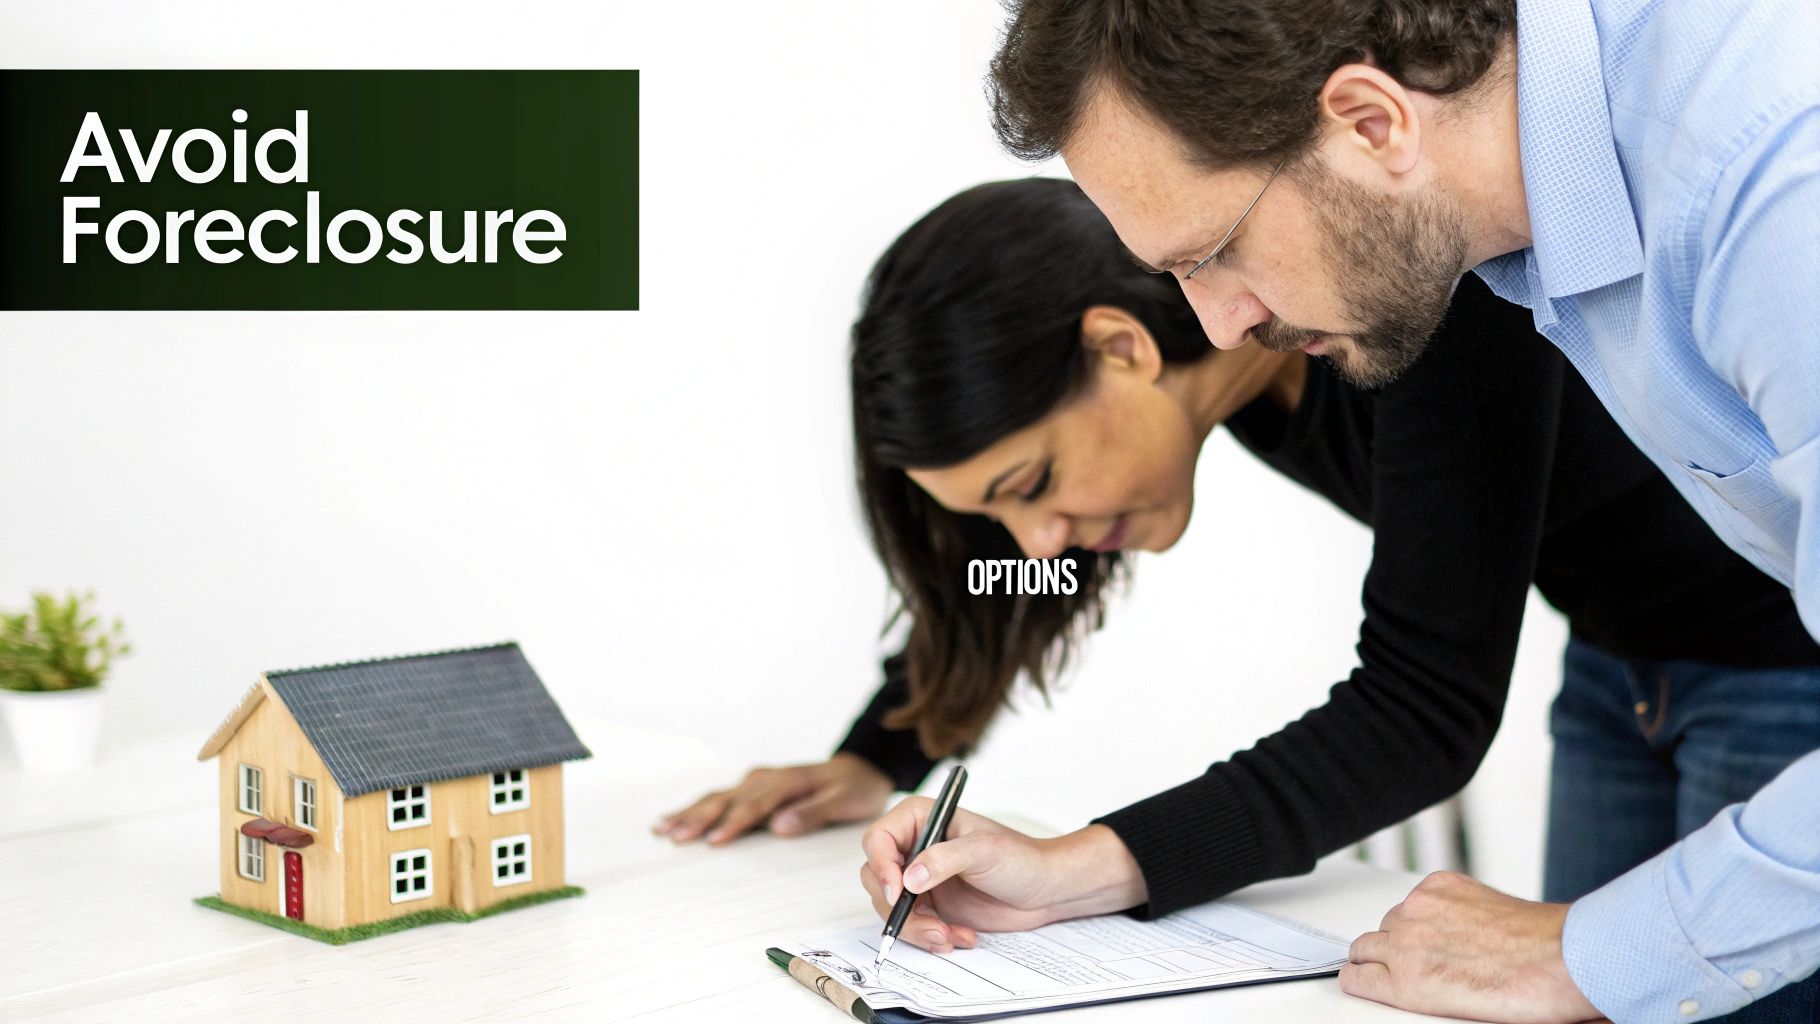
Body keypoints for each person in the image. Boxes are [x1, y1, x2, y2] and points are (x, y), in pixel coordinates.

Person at [654, 179, 1820, 1020]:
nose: (1038, 542)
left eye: (1031, 485)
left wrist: (1072, 865)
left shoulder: (1400, 302)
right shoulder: (1222, 366)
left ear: (1118, 347)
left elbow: (1421, 706)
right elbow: (1018, 578)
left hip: (1784, 674)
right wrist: (877, 753)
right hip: (1618, 675)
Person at [977, 2, 1820, 1021]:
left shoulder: (1775, 183)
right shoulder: (1505, 213)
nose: (1220, 325)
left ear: (1371, 124)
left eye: (1214, 252)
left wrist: (1584, 955)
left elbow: (1423, 694)